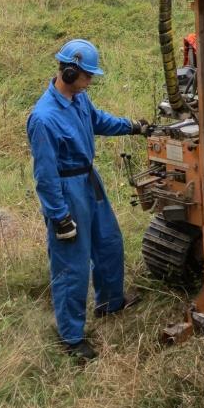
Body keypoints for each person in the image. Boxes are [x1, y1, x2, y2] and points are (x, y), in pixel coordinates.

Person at [27, 38, 151, 362]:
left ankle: (110, 302)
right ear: (70, 73)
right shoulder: (43, 118)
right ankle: (71, 337)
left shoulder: (80, 99)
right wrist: (60, 216)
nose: (91, 81)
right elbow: (45, 175)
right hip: (67, 190)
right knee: (72, 264)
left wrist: (133, 127)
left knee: (109, 242)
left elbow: (99, 121)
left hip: (88, 180)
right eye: (87, 75)